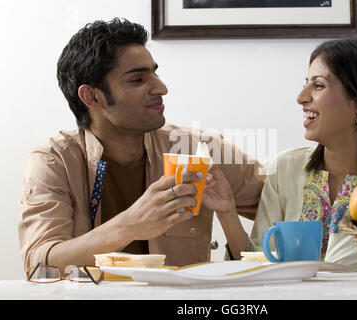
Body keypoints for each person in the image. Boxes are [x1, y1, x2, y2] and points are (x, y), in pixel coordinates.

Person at [18, 18, 264, 272]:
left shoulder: (199, 150)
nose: (161, 88)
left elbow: (290, 205)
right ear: (91, 96)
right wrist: (131, 225)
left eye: (154, 73)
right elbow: (39, 262)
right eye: (137, 80)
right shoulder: (54, 161)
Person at [216, 37, 357, 270]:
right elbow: (258, 265)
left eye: (318, 85)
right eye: (306, 83)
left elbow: (342, 266)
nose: (301, 97)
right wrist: (227, 213)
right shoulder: (286, 167)